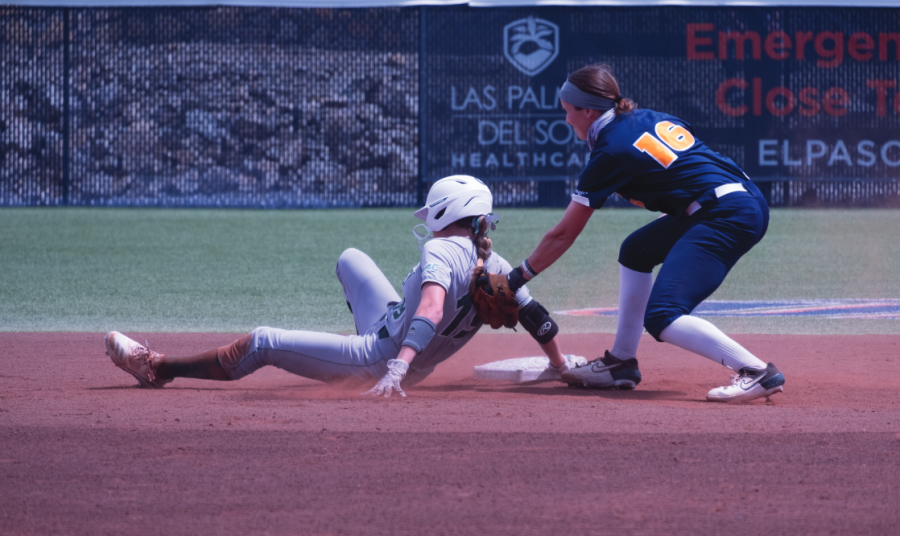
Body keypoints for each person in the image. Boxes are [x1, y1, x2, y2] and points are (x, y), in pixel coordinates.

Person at [104, 175, 580, 397]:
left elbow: (432, 310)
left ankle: (159, 368)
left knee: (264, 341)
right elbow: (537, 318)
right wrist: (559, 365)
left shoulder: (439, 251)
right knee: (350, 260)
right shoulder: (492, 261)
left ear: (444, 213)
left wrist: (397, 368)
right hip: (391, 329)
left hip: (379, 359)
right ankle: (340, 350)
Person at [502, 63, 785, 403]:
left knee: (663, 315)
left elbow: (564, 234)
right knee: (637, 251)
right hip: (737, 199)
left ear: (588, 111)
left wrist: (516, 278)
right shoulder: (649, 117)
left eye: (569, 111)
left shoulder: (610, 150)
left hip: (726, 213)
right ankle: (620, 363)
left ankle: (756, 371)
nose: (566, 120)